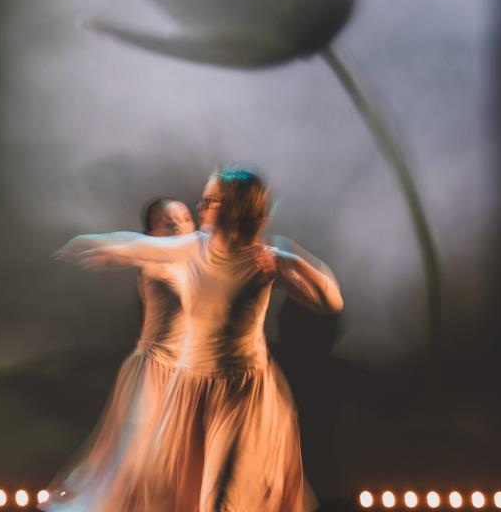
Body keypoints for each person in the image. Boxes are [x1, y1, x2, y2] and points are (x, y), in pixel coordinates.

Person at [52, 166, 341, 511]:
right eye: (204, 199)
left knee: (222, 500)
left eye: (211, 200)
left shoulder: (264, 258)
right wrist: (95, 244)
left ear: (235, 207)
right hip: (190, 390)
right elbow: (138, 244)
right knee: (176, 496)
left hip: (241, 393)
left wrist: (291, 262)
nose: (201, 207)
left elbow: (330, 301)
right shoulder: (192, 248)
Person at [43, 197, 193, 510]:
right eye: (168, 223)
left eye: (185, 218)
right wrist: (113, 251)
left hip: (191, 376)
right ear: (151, 232)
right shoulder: (153, 261)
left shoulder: (201, 262)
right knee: (133, 461)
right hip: (154, 371)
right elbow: (131, 248)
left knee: (180, 464)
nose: (179, 225)